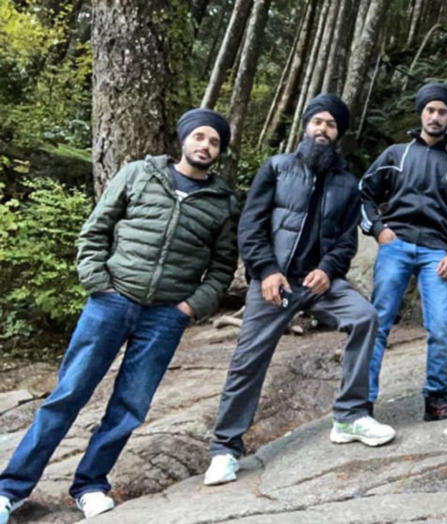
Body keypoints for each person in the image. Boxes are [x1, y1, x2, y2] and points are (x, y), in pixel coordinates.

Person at [0, 109, 239, 522]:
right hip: (112, 302)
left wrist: (189, 308)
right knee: (68, 394)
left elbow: (221, 268)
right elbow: (96, 229)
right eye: (199, 136)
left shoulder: (223, 202)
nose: (205, 145)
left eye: (214, 141)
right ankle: (11, 489)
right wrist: (98, 281)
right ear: (183, 140)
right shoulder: (138, 174)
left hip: (165, 316)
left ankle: (90, 484)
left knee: (130, 405)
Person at [203, 94, 395, 488]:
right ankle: (225, 449)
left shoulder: (347, 182)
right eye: (317, 122)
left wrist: (328, 270)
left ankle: (349, 416)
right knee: (248, 360)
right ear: (305, 125)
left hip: (318, 283)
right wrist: (267, 272)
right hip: (274, 283)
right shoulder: (276, 168)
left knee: (364, 317)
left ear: (338, 133)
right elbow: (251, 227)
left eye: (331, 125)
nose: (322, 130)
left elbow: (346, 241)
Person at [359, 82, 447, 421]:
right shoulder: (396, 155)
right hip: (396, 246)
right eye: (430, 110)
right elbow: (363, 193)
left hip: (437, 254)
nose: (435, 117)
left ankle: (436, 399)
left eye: (442, 112)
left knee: (441, 325)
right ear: (421, 113)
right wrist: (378, 229)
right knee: (378, 322)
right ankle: (363, 403)